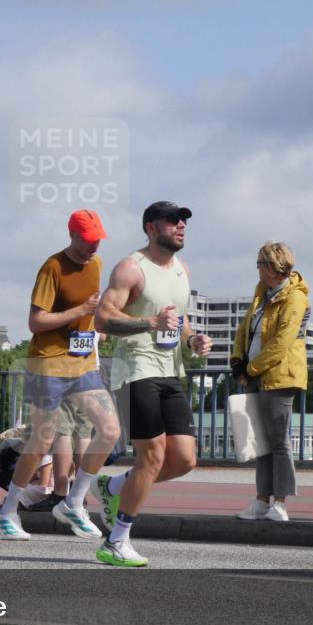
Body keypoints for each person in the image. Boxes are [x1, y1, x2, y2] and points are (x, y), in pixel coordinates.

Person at [0, 209, 121, 541]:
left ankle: (73, 502)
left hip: (82, 364)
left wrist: (97, 330)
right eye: (89, 241)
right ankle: (7, 512)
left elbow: (92, 313)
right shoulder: (52, 267)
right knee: (42, 440)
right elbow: (36, 322)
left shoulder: (97, 265)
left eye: (99, 241)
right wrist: (78, 312)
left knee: (109, 430)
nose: (94, 247)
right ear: (73, 236)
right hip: (47, 364)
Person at [95, 201, 212, 566]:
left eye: (184, 222)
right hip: (135, 371)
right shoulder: (131, 267)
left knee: (185, 460)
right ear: (150, 228)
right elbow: (102, 319)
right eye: (173, 221)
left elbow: (179, 318)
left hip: (170, 371)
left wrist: (193, 340)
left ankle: (114, 486)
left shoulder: (183, 270)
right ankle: (116, 541)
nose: (181, 226)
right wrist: (149, 323)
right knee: (154, 454)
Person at [230, 241, 310, 523]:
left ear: (274, 267)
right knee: (260, 441)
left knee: (278, 441)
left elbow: (282, 343)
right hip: (255, 374)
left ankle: (280, 502)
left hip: (279, 377)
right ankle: (262, 499)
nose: (257, 270)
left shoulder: (295, 298)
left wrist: (252, 368)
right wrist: (237, 359)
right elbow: (245, 326)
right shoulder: (261, 292)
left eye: (260, 264)